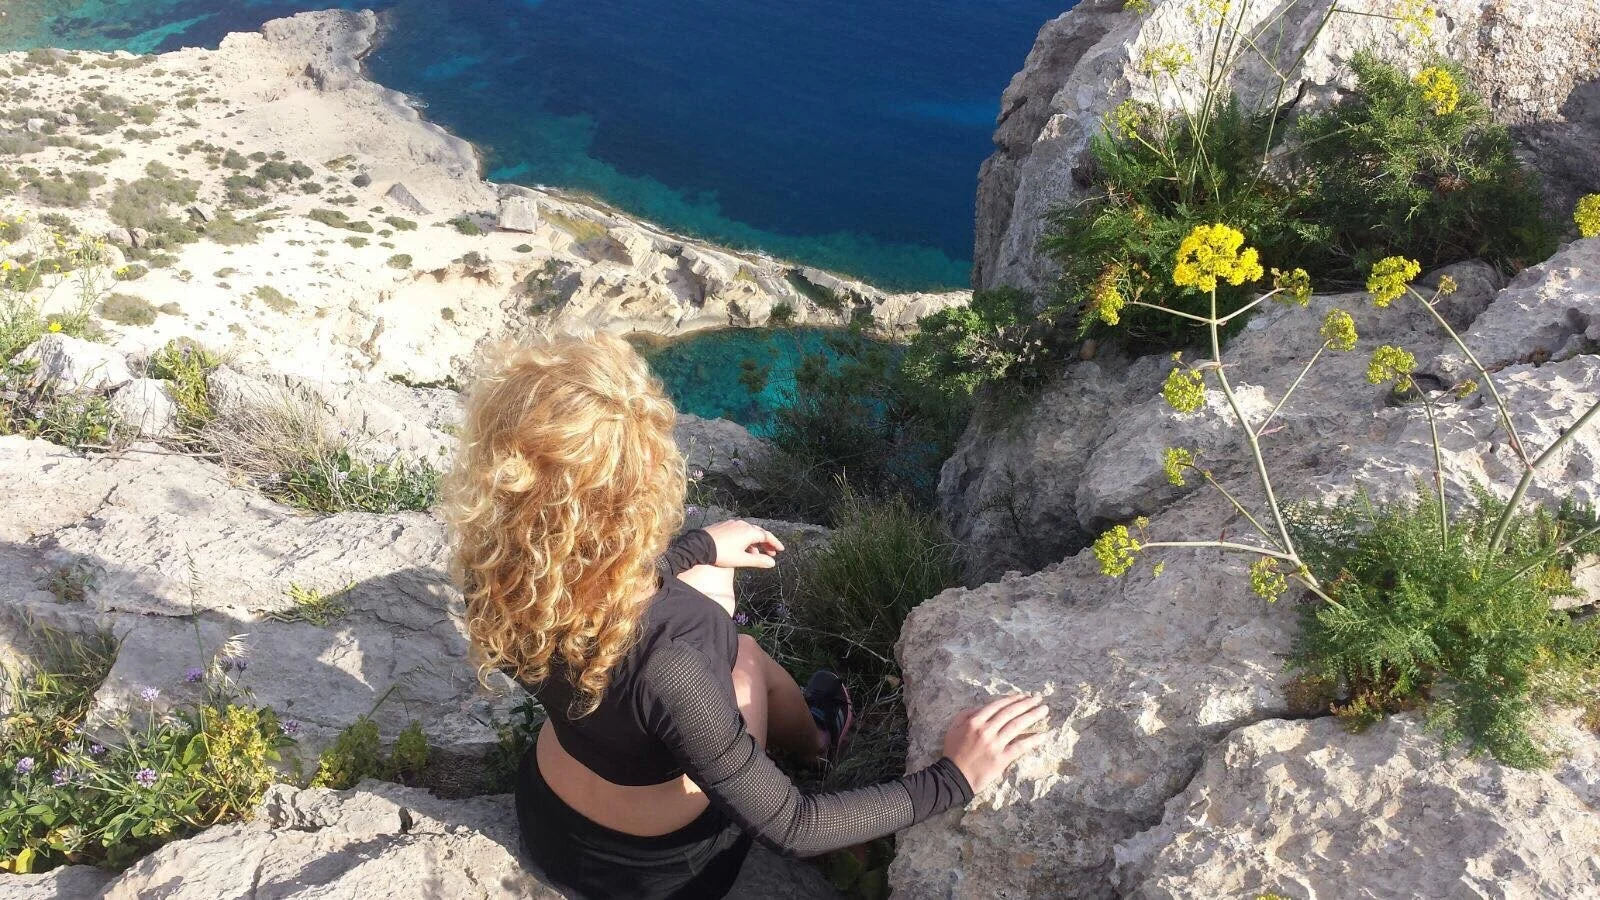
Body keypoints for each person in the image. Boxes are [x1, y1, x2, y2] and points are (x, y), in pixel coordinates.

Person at [443, 333, 1047, 899]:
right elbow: (795, 825)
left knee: (711, 590)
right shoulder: (672, 659)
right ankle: (817, 741)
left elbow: (600, 592)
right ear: (637, 493)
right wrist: (954, 776)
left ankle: (803, 729)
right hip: (658, 874)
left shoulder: (499, 572)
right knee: (748, 658)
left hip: (549, 812)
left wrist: (701, 549)